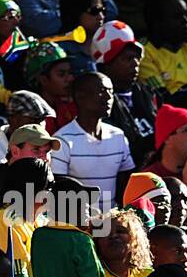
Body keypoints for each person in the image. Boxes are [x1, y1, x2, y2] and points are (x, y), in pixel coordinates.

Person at [50, 72, 135, 215]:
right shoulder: (62, 140)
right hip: (78, 226)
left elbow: (126, 182)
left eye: (111, 91)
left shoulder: (118, 136)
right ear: (80, 96)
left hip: (111, 225)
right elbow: (58, 189)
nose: (109, 97)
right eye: (102, 91)